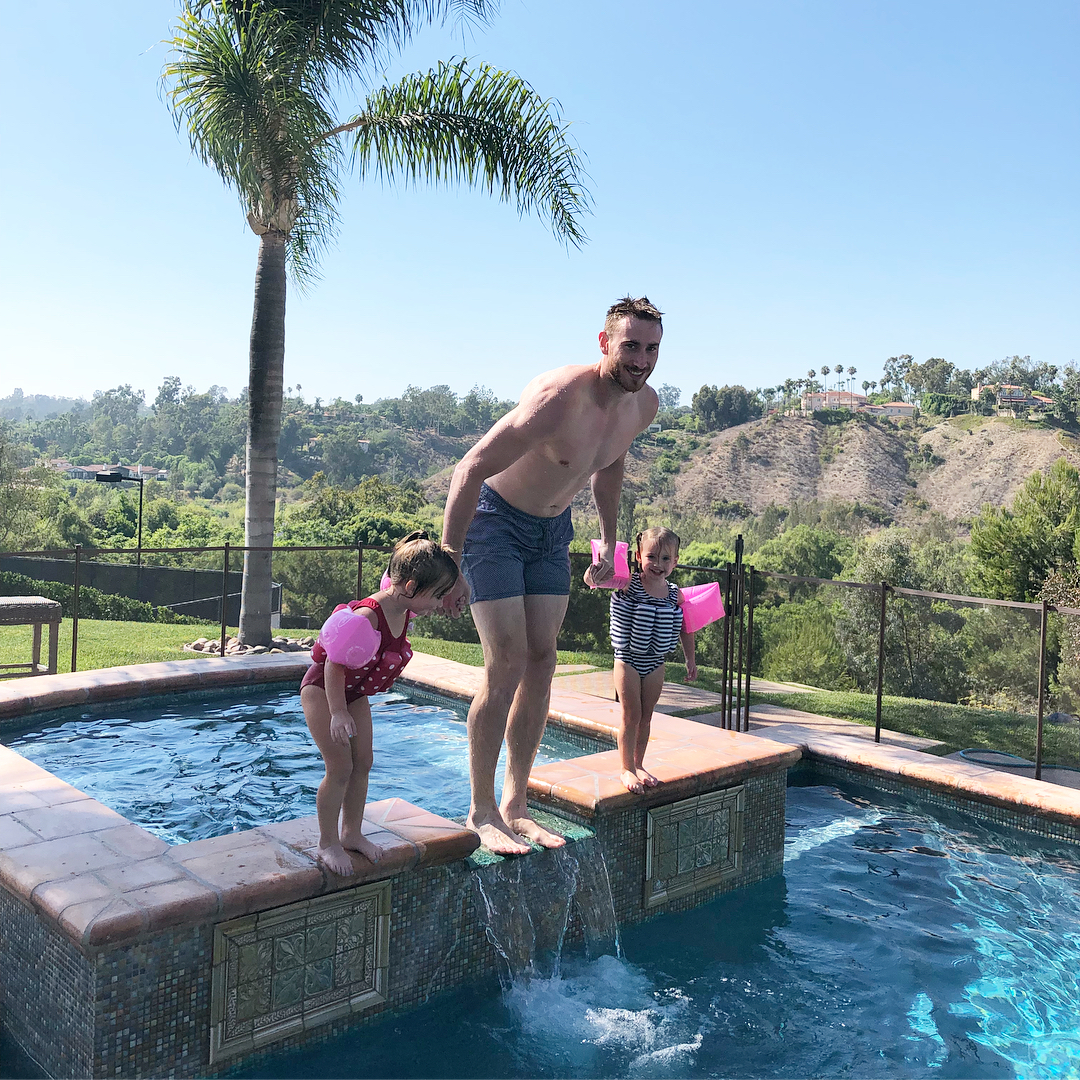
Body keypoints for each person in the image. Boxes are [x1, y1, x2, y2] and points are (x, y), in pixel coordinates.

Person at [441, 296, 664, 855]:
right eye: (630, 345)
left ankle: (516, 805)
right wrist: (450, 559)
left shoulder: (643, 407)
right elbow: (470, 467)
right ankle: (482, 809)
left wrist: (611, 540)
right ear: (604, 343)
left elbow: (609, 463)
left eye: (651, 348)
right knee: (506, 663)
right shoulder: (559, 399)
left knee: (544, 659)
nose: (641, 359)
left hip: (551, 531)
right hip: (495, 523)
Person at [299, 531, 459, 876]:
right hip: (324, 691)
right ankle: (327, 843)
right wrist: (337, 711)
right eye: (438, 595)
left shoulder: (403, 604)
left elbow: (415, 595)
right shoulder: (368, 616)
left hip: (353, 693)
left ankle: (352, 832)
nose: (439, 603)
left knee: (364, 762)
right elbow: (334, 664)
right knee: (340, 768)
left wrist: (453, 600)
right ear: (412, 587)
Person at [609, 527, 697, 793]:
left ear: (676, 561)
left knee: (646, 716)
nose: (658, 564)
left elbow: (686, 628)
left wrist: (690, 659)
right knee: (631, 714)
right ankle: (625, 769)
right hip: (628, 659)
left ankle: (639, 764)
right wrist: (592, 573)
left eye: (665, 559)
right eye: (652, 557)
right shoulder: (627, 584)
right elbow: (595, 580)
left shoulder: (674, 594)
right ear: (638, 557)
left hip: (656, 661)